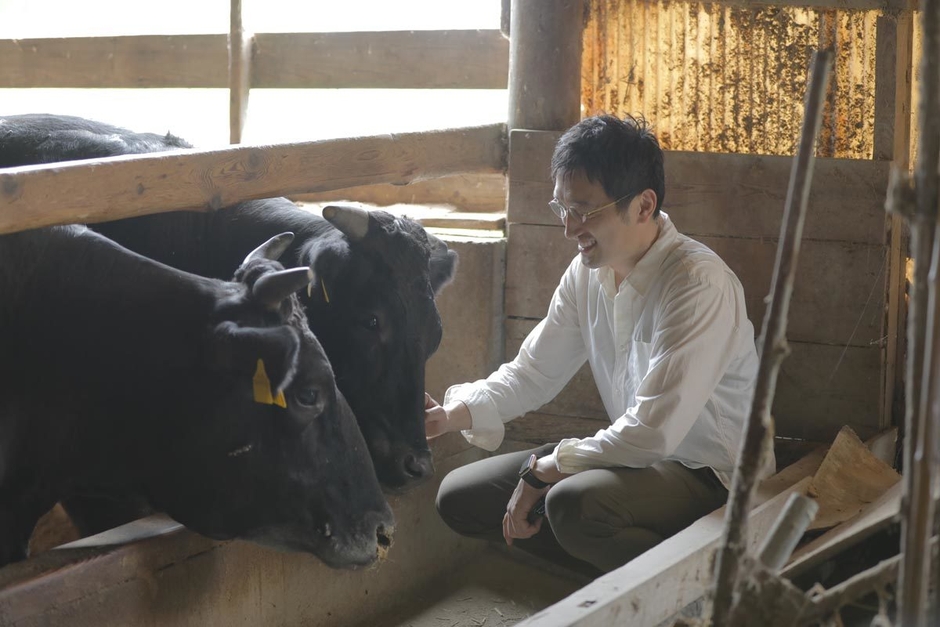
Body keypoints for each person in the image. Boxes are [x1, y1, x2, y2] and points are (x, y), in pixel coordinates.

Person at [424, 113, 775, 577]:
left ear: (643, 206)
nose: (569, 229)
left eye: (585, 212)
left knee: (574, 506)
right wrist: (452, 415)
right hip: (628, 462)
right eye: (562, 209)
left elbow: (653, 433)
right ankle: (621, 575)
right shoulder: (587, 274)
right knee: (461, 499)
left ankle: (702, 585)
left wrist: (544, 470)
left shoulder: (696, 283)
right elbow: (534, 371)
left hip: (709, 476)